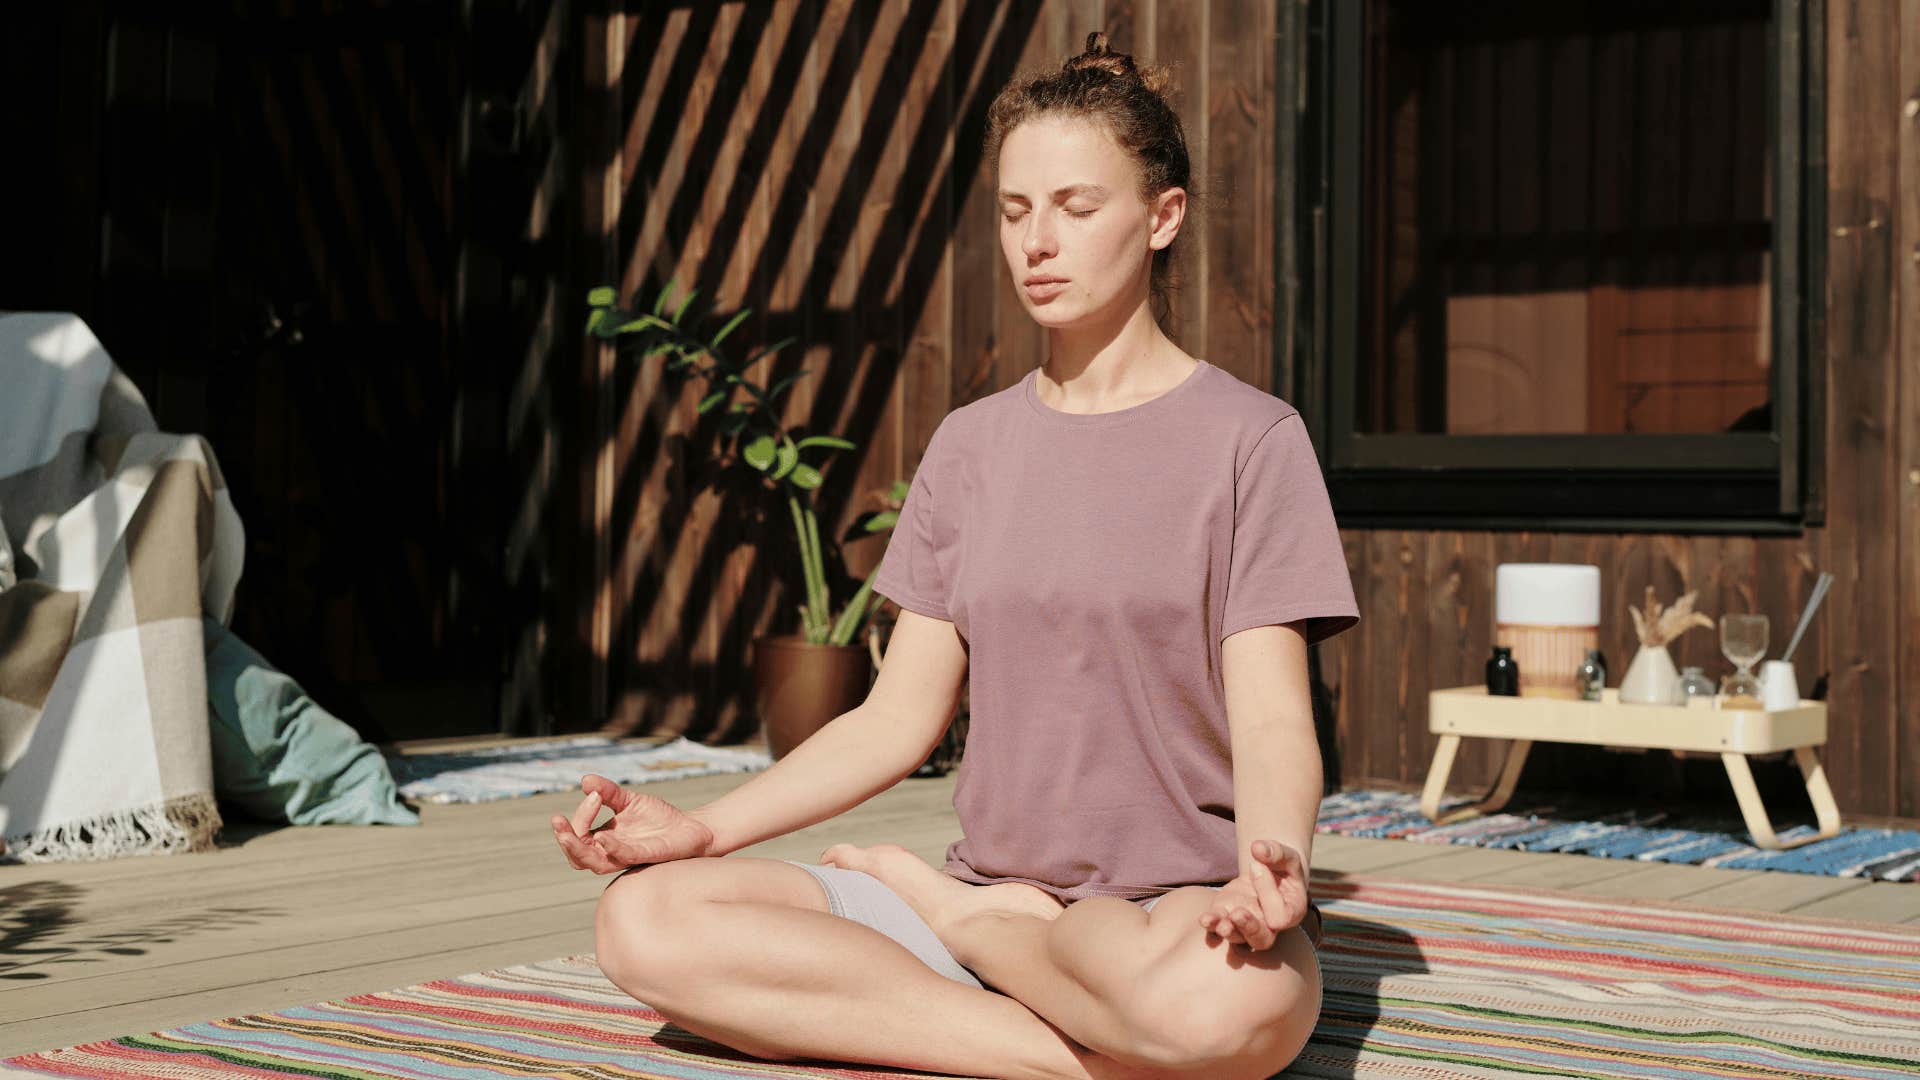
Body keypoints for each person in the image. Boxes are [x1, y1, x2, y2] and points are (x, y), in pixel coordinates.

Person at [553, 32, 1359, 1080]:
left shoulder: (1252, 441)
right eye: (1016, 211)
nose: (1038, 243)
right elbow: (896, 717)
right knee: (646, 922)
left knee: (1232, 1012)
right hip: (992, 888)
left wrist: (1276, 861)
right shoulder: (971, 449)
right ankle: (1077, 1030)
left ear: (1163, 218)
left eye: (1077, 207)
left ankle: (991, 955)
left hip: (1171, 917)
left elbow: (1269, 716)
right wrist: (701, 834)